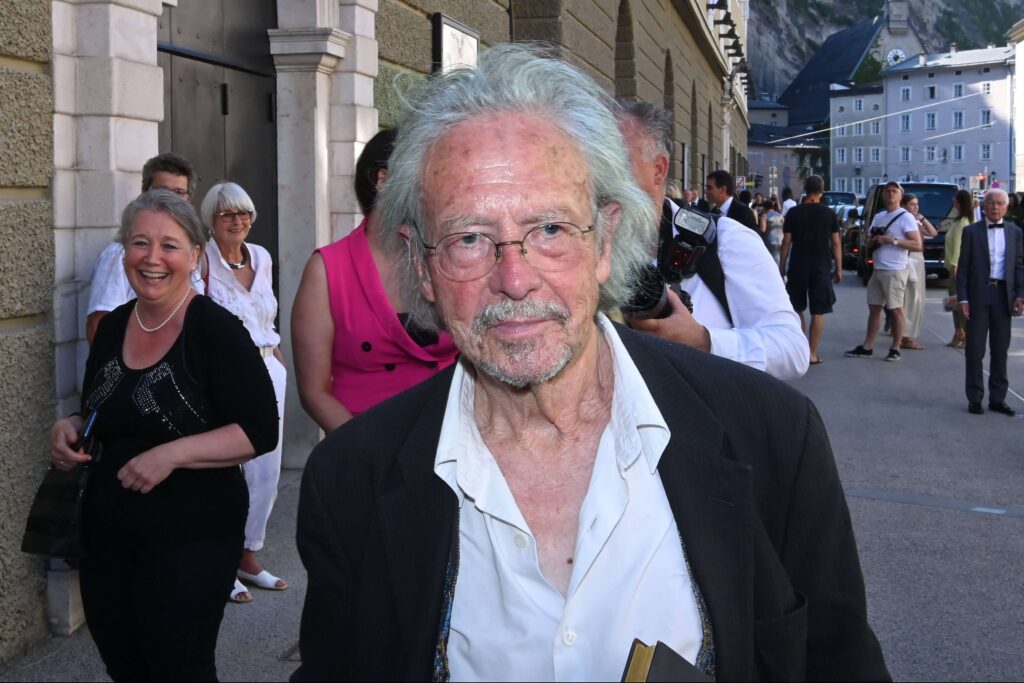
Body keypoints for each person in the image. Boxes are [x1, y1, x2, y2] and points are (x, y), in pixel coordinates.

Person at [292, 44, 888, 682]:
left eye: (549, 229)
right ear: (420, 265)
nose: (514, 279)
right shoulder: (351, 479)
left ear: (605, 241)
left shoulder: (772, 438)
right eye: (469, 238)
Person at [48, 190, 279, 681]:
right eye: (140, 243)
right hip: (108, 532)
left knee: (179, 666)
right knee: (123, 661)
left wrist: (170, 455)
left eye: (169, 245)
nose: (152, 258)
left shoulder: (216, 331)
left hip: (193, 532)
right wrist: (70, 426)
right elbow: (99, 411)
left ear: (194, 256)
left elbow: (259, 431)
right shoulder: (113, 327)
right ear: (124, 253)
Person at [616, 101, 808, 380]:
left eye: (616, 164)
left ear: (659, 169)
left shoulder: (727, 239)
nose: (601, 180)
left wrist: (704, 341)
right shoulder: (577, 246)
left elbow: (793, 350)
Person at [291, 128, 459, 433]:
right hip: (365, 441)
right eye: (425, 174)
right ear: (383, 180)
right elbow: (314, 393)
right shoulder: (327, 270)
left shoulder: (453, 254)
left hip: (455, 438)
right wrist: (366, 450)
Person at [199, 181, 288, 603]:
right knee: (228, 470)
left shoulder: (262, 257)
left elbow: (265, 314)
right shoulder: (201, 260)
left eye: (244, 213)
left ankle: (248, 555)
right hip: (226, 374)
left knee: (267, 468)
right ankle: (221, 559)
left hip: (270, 367)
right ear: (211, 220)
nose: (237, 221)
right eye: (227, 214)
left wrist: (278, 359)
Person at [86, 153, 200, 345]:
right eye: (162, 190)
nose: (169, 198)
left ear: (188, 199)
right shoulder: (119, 255)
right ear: (144, 192)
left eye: (179, 192)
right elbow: (99, 326)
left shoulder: (189, 253)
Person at [957, 188, 1024, 415]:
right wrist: (963, 298)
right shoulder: (971, 232)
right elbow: (963, 268)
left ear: (1007, 207)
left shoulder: (1015, 232)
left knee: (1000, 350)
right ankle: (975, 398)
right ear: (983, 206)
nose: (995, 207)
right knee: (975, 350)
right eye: (991, 203)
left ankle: (997, 398)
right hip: (978, 294)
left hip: (1003, 296)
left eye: (1000, 203)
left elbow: (1019, 266)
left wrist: (1020, 296)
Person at [845, 181, 922, 362]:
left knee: (896, 310)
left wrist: (892, 240)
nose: (890, 194)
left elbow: (917, 244)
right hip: (878, 268)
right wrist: (873, 240)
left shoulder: (906, 217)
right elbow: (869, 239)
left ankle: (895, 348)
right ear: (883, 195)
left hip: (895, 269)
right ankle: (867, 346)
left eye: (894, 191)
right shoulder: (879, 216)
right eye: (887, 191)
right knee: (874, 308)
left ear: (900, 196)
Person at [778, 175, 841, 366]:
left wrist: (782, 267)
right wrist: (839, 268)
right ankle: (812, 353)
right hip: (821, 265)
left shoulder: (794, 213)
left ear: (805, 189)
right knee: (818, 311)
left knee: (797, 308)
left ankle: (801, 349)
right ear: (822, 190)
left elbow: (786, 242)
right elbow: (836, 242)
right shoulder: (829, 213)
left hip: (798, 265)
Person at [898, 193, 938, 351]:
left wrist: (922, 218)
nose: (916, 207)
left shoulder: (915, 221)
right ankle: (905, 335)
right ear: (904, 206)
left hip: (918, 258)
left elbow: (933, 233)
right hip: (910, 258)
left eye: (917, 204)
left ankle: (904, 333)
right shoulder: (904, 220)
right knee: (911, 297)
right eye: (912, 204)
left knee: (916, 297)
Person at [943, 189, 973, 348]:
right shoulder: (959, 220)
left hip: (958, 268)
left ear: (960, 203)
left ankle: (963, 333)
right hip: (954, 266)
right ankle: (960, 332)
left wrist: (954, 266)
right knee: (956, 303)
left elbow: (958, 247)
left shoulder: (962, 223)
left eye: (955, 200)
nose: (953, 202)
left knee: (957, 302)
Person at [705, 169, 760, 234]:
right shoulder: (714, 212)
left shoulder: (743, 212)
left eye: (709, 188)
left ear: (723, 190)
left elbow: (754, 238)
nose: (706, 191)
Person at [761, 194, 785, 265]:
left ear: (764, 208)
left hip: (770, 241)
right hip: (781, 239)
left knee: (771, 261)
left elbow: (763, 229)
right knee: (779, 259)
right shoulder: (780, 215)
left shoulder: (764, 216)